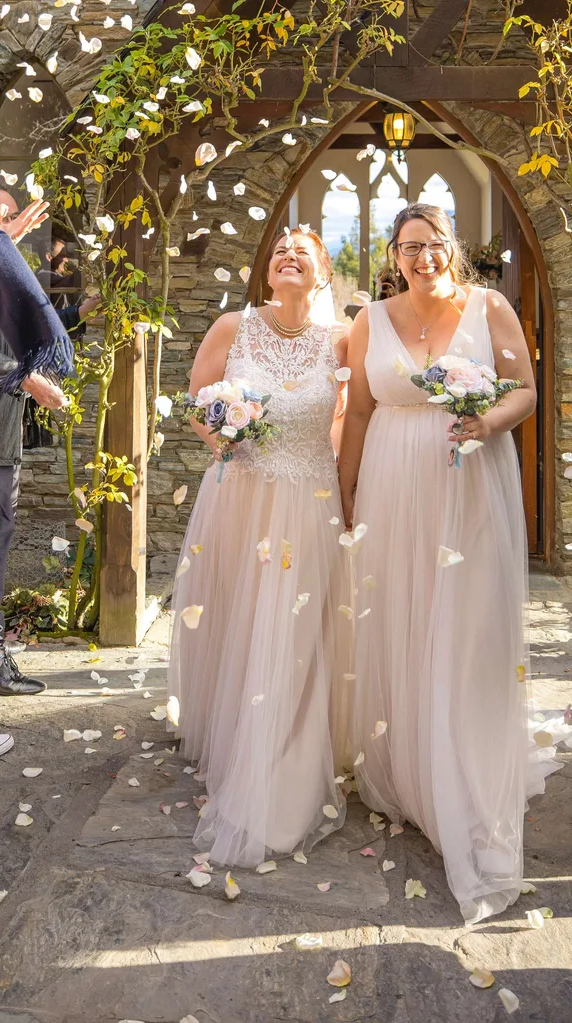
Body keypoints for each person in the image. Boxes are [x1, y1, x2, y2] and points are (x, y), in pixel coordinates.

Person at [337, 202, 551, 924]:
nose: (421, 257)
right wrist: (347, 488)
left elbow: (525, 388)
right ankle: (406, 762)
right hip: (394, 490)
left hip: (468, 487)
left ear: (450, 248)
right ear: (392, 254)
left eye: (431, 244)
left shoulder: (488, 307)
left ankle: (459, 767)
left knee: (463, 628)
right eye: (408, 246)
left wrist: (488, 419)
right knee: (401, 615)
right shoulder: (371, 318)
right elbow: (361, 411)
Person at [168, 227, 352, 867]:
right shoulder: (233, 327)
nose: (288, 255)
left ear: (324, 272)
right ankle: (236, 741)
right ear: (266, 270)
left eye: (304, 250)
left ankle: (286, 756)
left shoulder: (343, 338)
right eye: (278, 249)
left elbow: (348, 418)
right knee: (239, 616)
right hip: (241, 496)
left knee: (297, 626)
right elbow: (198, 400)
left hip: (309, 501)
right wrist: (221, 436)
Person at [0, 188, 87, 699]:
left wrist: (80, 312)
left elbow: (26, 331)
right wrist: (27, 379)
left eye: (10, 217)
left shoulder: (2, 264)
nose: (5, 222)